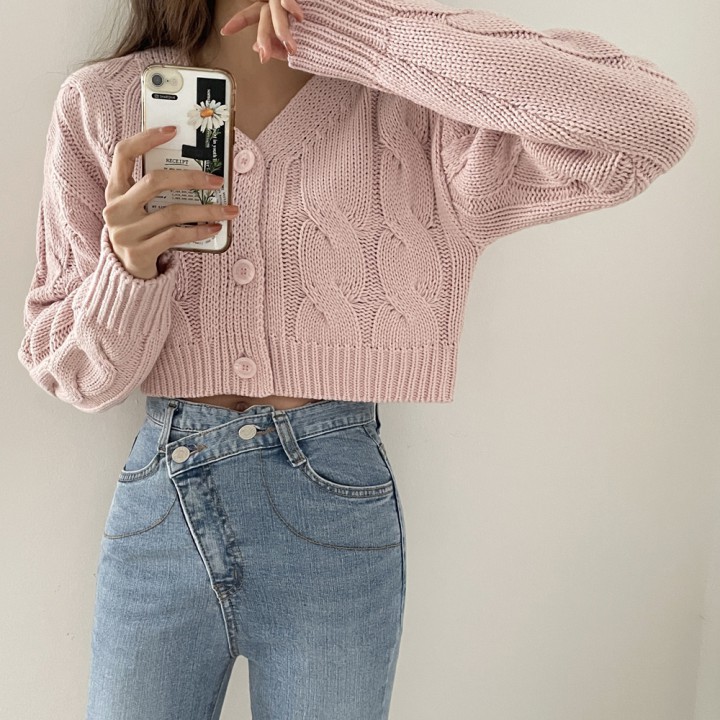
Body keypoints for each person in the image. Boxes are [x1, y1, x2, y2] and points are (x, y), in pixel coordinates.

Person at [17, 0, 697, 717]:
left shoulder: (418, 113)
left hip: (333, 511)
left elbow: (651, 126)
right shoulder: (103, 104)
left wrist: (355, 30)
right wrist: (127, 270)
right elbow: (72, 373)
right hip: (161, 511)